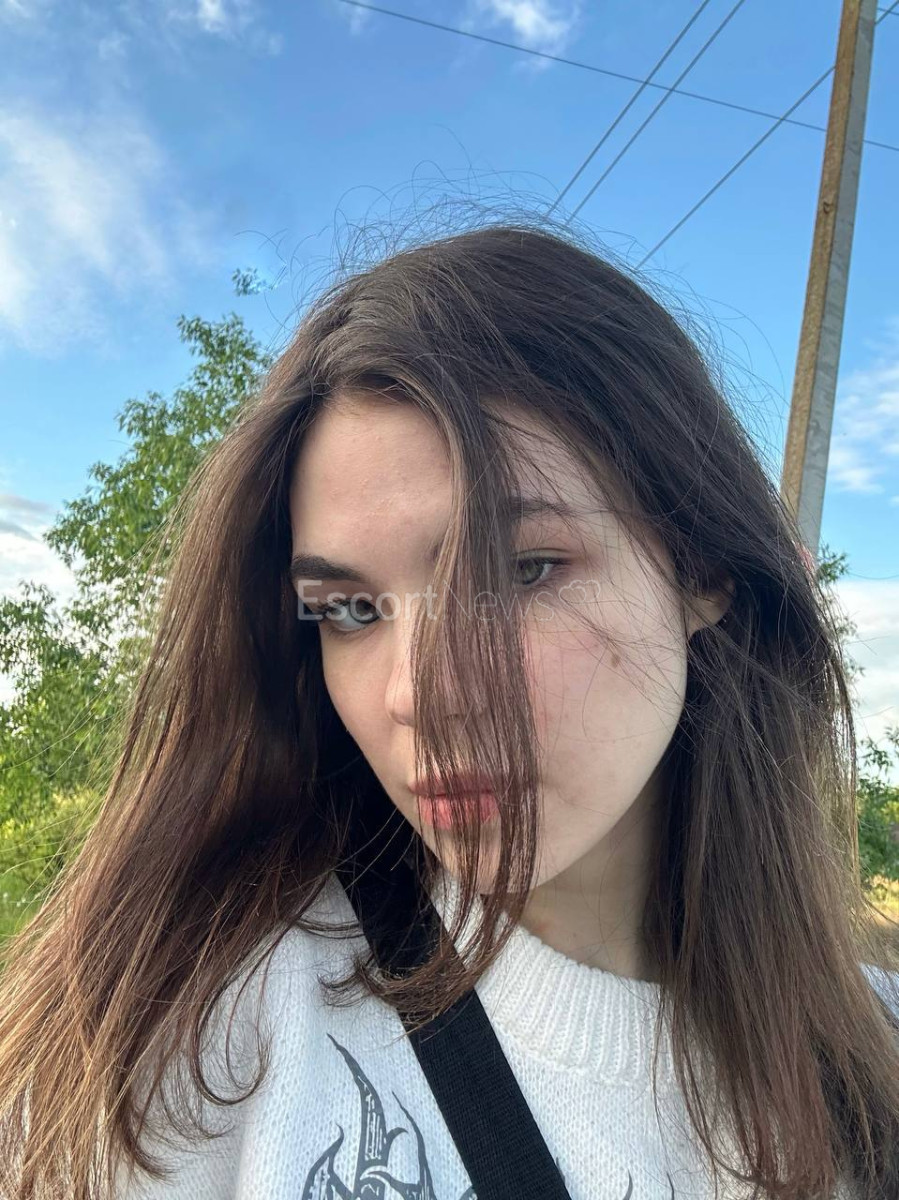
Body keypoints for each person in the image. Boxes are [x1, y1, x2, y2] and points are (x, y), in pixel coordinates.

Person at [0, 223, 896, 1200]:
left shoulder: (873, 1058)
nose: (416, 696)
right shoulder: (190, 1036)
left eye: (518, 571)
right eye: (348, 610)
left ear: (702, 569)